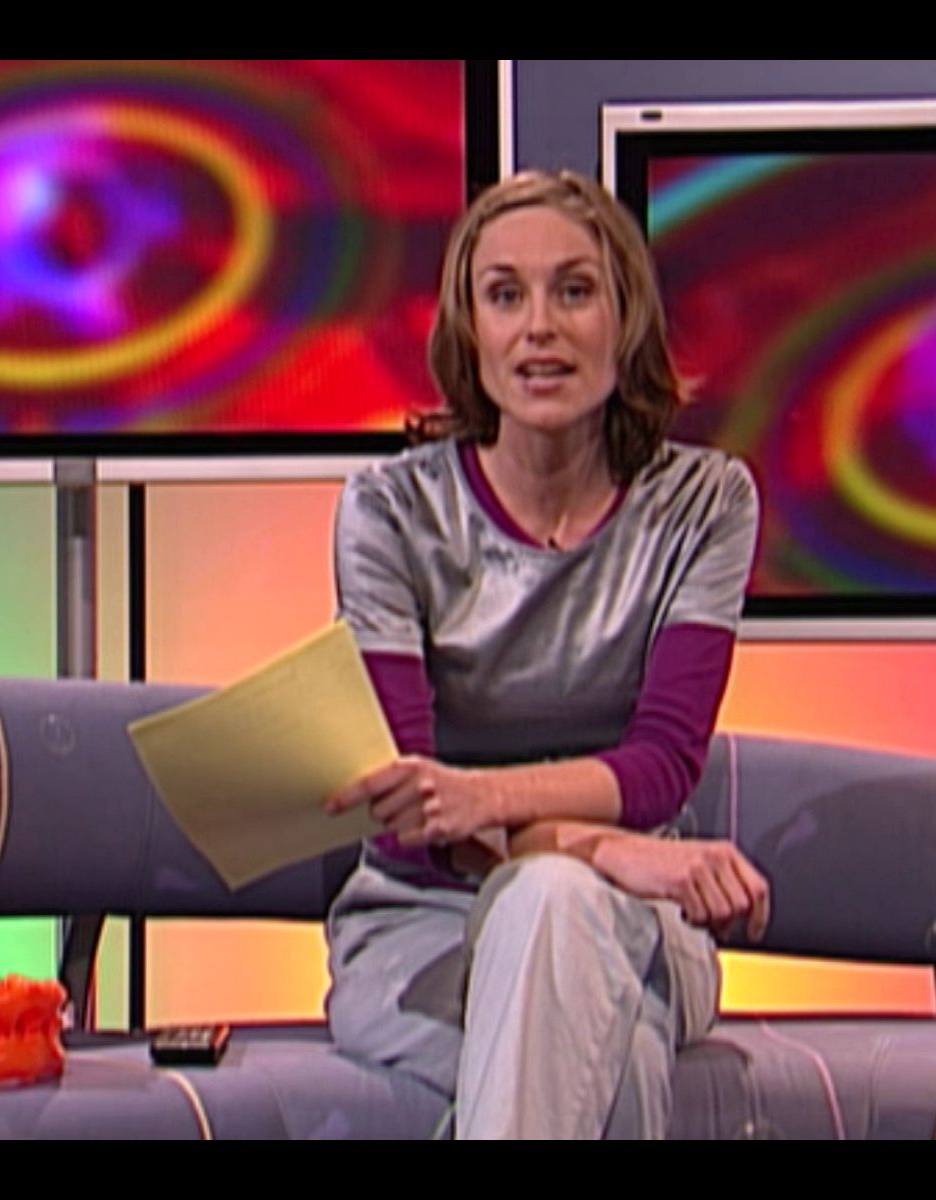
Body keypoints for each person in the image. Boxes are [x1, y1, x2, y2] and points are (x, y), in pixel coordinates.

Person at [322, 170, 770, 1139]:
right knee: (620, 1065)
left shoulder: (706, 505)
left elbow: (663, 765)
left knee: (561, 905)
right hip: (426, 920)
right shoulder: (390, 512)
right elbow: (410, 816)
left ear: (625, 318)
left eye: (574, 291)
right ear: (470, 332)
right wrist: (607, 849)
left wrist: (492, 801)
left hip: (637, 916)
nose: (540, 328)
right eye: (505, 295)